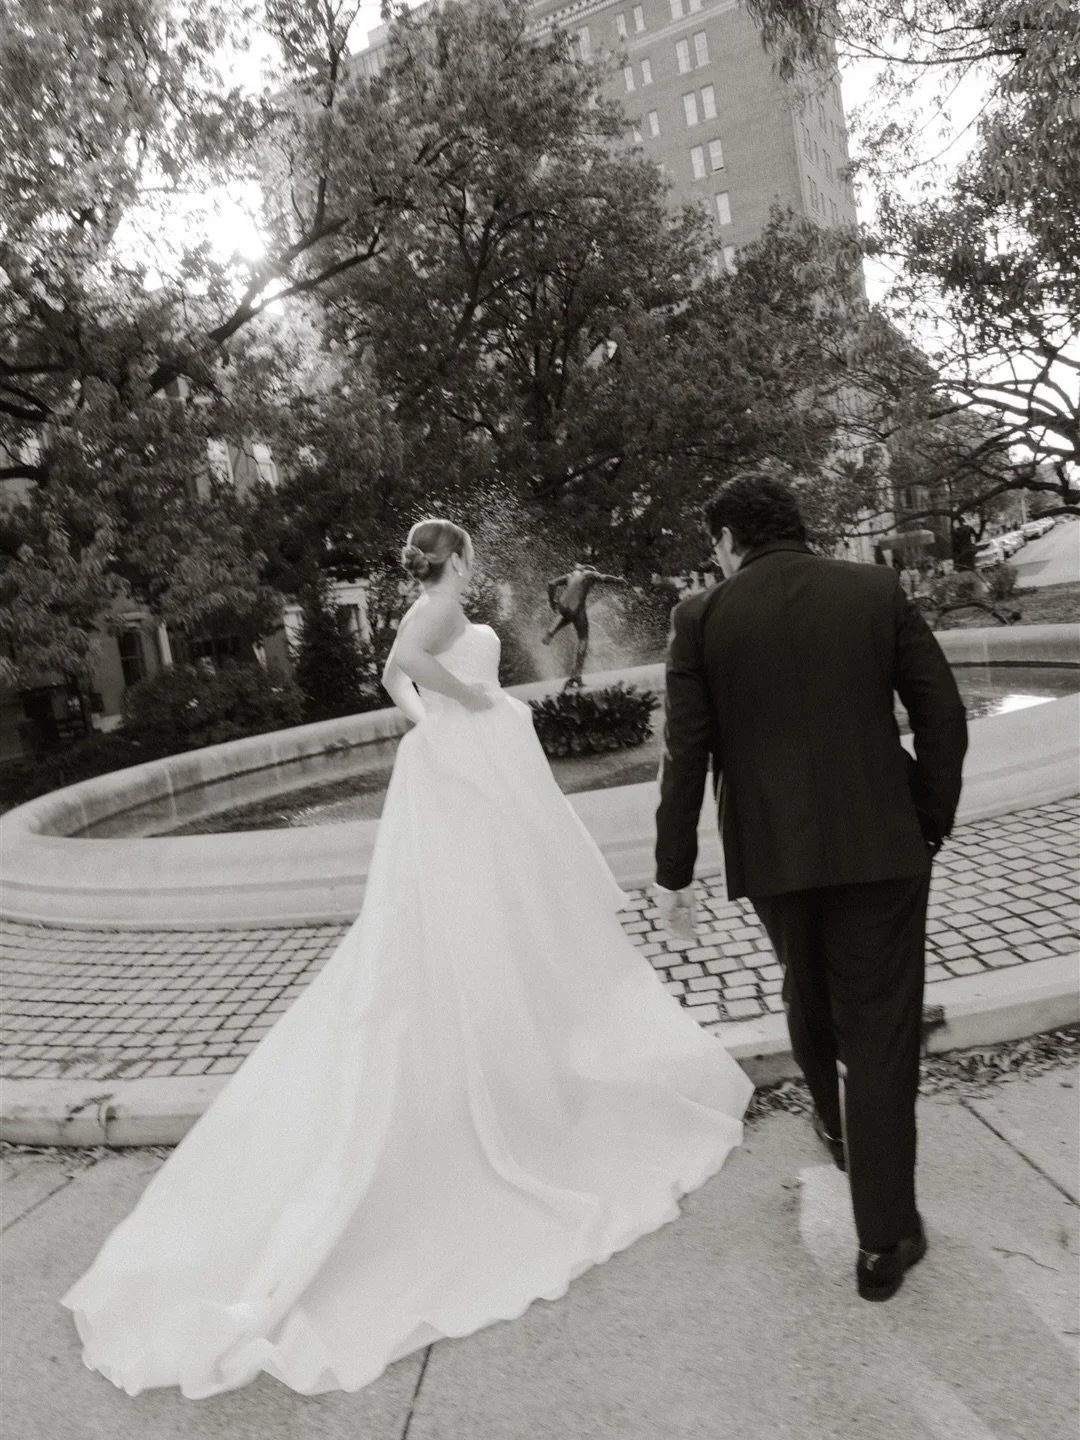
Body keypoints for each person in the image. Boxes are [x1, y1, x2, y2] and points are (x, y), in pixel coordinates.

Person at [61, 517, 753, 1399]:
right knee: (473, 917)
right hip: (468, 758)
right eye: (468, 554)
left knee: (495, 910)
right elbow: (410, 662)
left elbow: (393, 679)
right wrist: (470, 709)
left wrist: (435, 724)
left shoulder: (442, 611)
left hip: (462, 763)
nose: (472, 564)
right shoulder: (436, 609)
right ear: (456, 559)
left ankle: (514, 1049)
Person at [654, 472, 968, 1303]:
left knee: (808, 979)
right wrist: (927, 817)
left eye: (713, 546)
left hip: (774, 857)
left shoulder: (702, 619)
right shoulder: (874, 590)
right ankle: (884, 1239)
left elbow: (687, 756)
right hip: (882, 843)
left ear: (729, 541)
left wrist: (674, 873)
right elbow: (942, 713)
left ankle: (831, 1120)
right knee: (882, 1027)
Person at [542, 561, 628, 685]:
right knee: (583, 639)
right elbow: (604, 578)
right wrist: (619, 580)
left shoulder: (571, 575)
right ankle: (577, 675)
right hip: (577, 609)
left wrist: (552, 603)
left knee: (568, 616)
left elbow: (551, 583)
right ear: (591, 570)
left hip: (562, 607)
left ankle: (551, 632)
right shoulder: (590, 574)